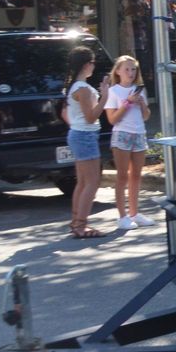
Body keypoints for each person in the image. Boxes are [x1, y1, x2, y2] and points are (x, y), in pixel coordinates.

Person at [63, 47, 110, 239]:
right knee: (92, 182)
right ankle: (81, 224)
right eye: (92, 63)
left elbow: (66, 113)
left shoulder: (75, 86)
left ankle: (77, 222)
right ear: (86, 64)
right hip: (85, 136)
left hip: (79, 134)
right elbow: (91, 117)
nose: (93, 66)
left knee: (82, 182)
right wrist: (105, 96)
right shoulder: (81, 88)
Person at [105, 55, 154, 230]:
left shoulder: (140, 90)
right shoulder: (114, 91)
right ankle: (122, 216)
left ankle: (134, 212)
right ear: (118, 71)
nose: (131, 73)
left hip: (139, 133)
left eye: (133, 69)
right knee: (122, 176)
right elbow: (112, 119)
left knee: (136, 175)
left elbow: (146, 116)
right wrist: (127, 103)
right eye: (127, 69)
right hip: (122, 134)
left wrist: (141, 104)